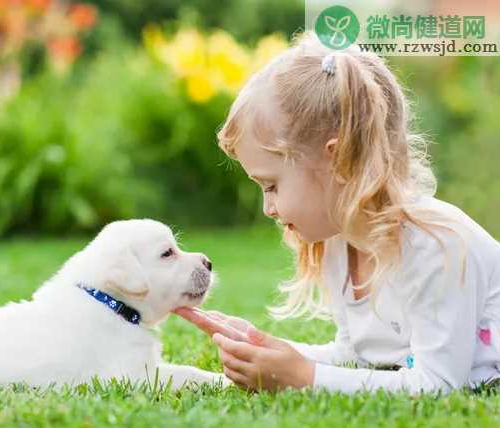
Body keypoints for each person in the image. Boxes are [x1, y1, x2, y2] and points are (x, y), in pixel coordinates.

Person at [174, 32, 500, 395]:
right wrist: (262, 347)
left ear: (337, 159)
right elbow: (354, 357)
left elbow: (437, 384)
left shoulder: (435, 246)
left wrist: (303, 377)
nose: (268, 207)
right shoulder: (338, 242)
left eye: (271, 186)